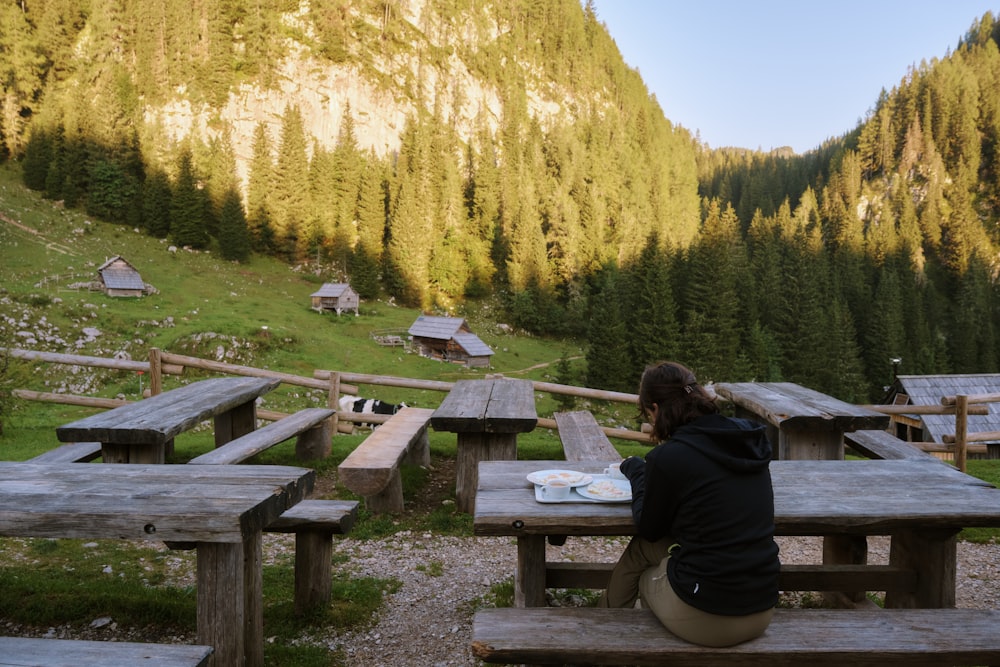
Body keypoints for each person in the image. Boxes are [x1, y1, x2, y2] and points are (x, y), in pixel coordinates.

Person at [599, 361, 780, 647]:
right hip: (763, 608)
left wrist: (637, 471)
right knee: (667, 555)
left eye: (648, 415)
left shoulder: (671, 457)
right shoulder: (749, 440)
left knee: (643, 565)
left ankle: (605, 638)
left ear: (657, 410)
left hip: (708, 619)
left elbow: (650, 528)